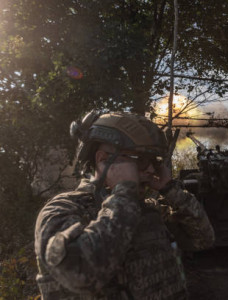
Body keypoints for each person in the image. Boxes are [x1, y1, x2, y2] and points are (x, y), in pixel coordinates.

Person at [34, 111, 215, 299]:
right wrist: (124, 192)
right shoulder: (63, 210)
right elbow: (80, 274)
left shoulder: (148, 209)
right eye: (142, 161)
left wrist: (170, 190)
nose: (152, 169)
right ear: (103, 159)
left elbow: (203, 239)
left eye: (154, 161)